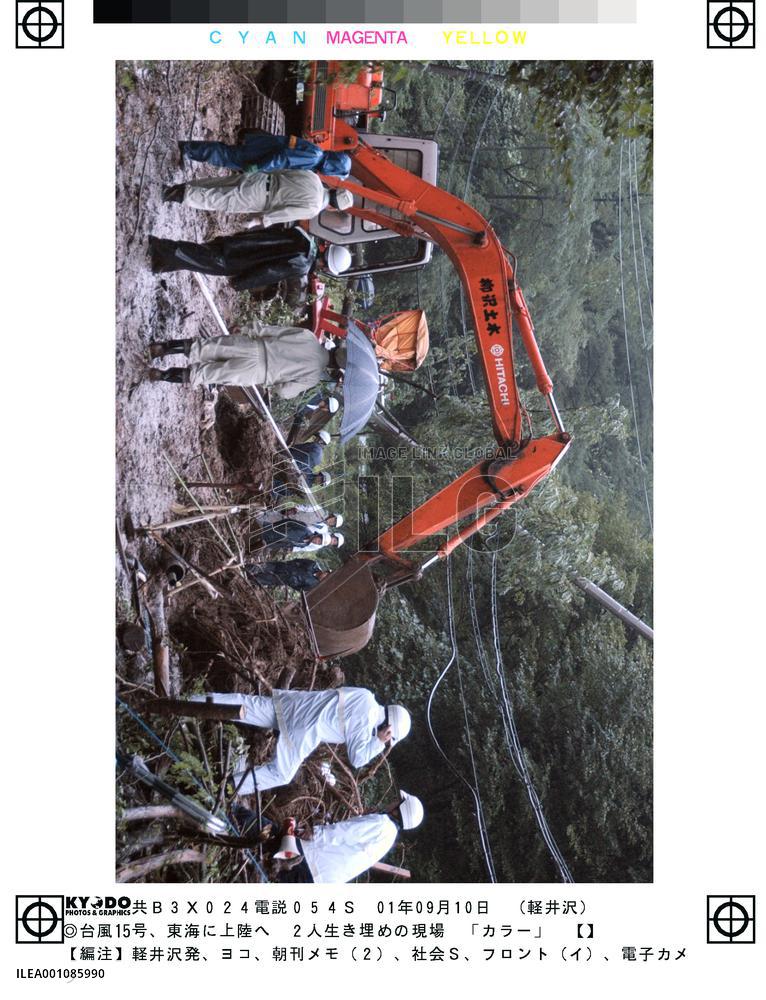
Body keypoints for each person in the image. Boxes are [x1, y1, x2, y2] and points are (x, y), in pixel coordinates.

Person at [187, 687, 412, 793]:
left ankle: (190, 702)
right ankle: (224, 788)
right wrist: (378, 742)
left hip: (296, 704)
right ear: (389, 729)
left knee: (246, 705)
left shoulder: (366, 696)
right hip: (304, 728)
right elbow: (357, 759)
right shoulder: (367, 720)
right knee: (281, 774)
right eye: (389, 738)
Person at [146, 322, 343, 399]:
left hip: (254, 346)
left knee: (204, 347)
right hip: (256, 373)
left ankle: (161, 348)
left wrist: (249, 329)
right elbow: (284, 391)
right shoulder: (313, 378)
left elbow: (274, 330)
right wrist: (274, 387)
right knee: (205, 374)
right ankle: (160, 375)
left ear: (335, 348)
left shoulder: (309, 337)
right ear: (334, 367)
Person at [277, 793, 424, 884]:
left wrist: (314, 834)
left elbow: (344, 832)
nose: (394, 801)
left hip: (310, 861)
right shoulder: (389, 836)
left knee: (270, 834)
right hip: (321, 879)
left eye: (398, 801)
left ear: (399, 810)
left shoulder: (381, 824)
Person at [147, 226, 318, 292]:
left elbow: (270, 230)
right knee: (201, 259)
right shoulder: (302, 264)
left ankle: (163, 262)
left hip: (243, 242)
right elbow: (269, 271)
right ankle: (160, 247)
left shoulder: (303, 235)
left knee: (202, 254)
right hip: (242, 260)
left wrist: (243, 234)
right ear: (324, 265)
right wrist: (240, 283)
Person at [162, 170, 354, 227]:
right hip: (260, 198)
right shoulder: (313, 209)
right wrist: (256, 221)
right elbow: (284, 213)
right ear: (333, 208)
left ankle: (177, 188)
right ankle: (173, 194)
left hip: (261, 179)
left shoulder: (313, 178)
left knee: (216, 184)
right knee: (216, 199)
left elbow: (283, 171)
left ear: (334, 189)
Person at [179, 134, 352, 177]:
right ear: (333, 167)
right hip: (260, 154)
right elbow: (282, 157)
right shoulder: (313, 157)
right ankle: (187, 149)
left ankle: (189, 149)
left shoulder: (316, 156)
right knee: (225, 155)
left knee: (226, 154)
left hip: (262, 151)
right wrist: (257, 167)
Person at [245, 559, 328, 592]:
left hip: (283, 579)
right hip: (283, 567)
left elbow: (300, 589)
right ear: (325, 572)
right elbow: (299, 560)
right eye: (326, 575)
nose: (324, 577)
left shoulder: (313, 584)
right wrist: (290, 564)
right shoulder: (313, 565)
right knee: (260, 567)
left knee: (261, 579)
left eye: (325, 579)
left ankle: (244, 579)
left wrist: (292, 582)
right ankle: (242, 569)